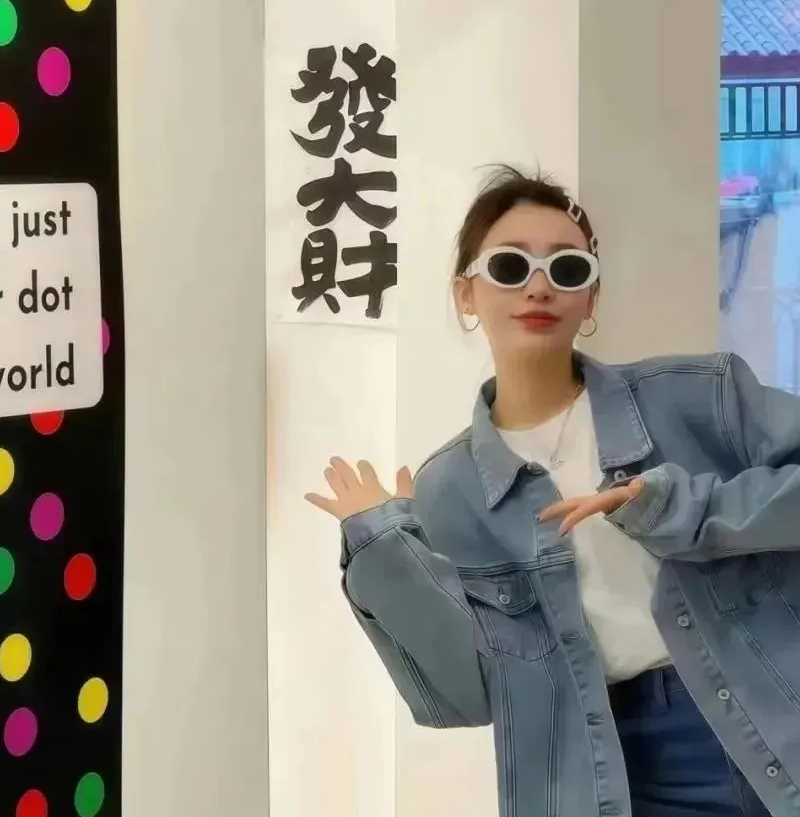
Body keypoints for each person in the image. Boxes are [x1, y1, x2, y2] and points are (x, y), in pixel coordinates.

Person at [305, 167, 800, 817]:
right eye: (510, 266)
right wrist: (385, 551)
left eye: (567, 269)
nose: (539, 287)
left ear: (590, 299)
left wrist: (678, 508)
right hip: (609, 768)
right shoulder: (451, 488)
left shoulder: (700, 395)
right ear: (466, 293)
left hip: (771, 713)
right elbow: (466, 697)